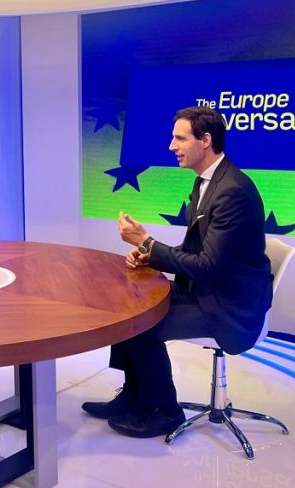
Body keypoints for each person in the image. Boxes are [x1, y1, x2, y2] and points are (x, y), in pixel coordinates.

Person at [82, 106, 272, 439]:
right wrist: (150, 255)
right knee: (128, 305)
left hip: (228, 305)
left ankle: (164, 412)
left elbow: (208, 267)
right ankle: (134, 395)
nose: (172, 146)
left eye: (180, 138)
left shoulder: (232, 191)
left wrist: (147, 242)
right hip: (208, 288)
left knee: (141, 325)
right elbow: (198, 251)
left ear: (206, 140)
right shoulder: (207, 182)